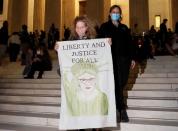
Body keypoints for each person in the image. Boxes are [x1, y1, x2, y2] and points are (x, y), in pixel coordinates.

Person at [55, 16, 108, 131]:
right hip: (79, 79)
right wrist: (58, 49)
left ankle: (96, 127)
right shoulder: (70, 42)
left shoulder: (94, 41)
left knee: (95, 104)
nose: (79, 30)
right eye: (77, 27)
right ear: (75, 28)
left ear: (86, 27)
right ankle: (81, 127)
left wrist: (107, 44)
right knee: (80, 104)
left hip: (92, 76)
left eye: (82, 27)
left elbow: (101, 55)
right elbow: (66, 60)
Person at [99, 5, 136, 122]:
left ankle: (118, 107)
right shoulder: (104, 27)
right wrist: (105, 41)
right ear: (109, 14)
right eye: (113, 12)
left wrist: (133, 58)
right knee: (116, 84)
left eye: (117, 12)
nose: (115, 13)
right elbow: (98, 41)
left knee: (122, 82)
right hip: (111, 60)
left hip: (124, 60)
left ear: (120, 14)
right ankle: (121, 109)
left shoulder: (124, 28)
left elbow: (130, 44)